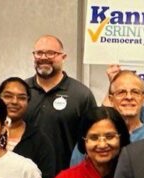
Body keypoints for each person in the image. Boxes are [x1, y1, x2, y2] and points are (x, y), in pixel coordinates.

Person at [24, 35, 96, 171]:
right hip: (24, 176)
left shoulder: (81, 95)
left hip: (66, 176)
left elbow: (92, 138)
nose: (44, 57)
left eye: (50, 53)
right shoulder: (21, 92)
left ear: (63, 57)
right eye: (39, 53)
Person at [70, 70, 144, 165]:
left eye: (135, 92)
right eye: (121, 92)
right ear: (111, 99)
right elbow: (76, 171)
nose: (129, 97)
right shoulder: (92, 137)